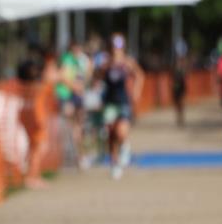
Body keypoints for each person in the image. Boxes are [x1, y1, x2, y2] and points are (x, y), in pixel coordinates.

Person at [93, 33, 143, 180]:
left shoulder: (128, 62)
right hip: (109, 102)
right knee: (110, 133)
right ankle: (114, 164)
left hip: (123, 101)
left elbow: (140, 75)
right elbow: (96, 77)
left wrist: (136, 91)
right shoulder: (106, 63)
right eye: (114, 46)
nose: (116, 49)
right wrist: (102, 70)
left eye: (119, 46)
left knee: (121, 132)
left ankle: (125, 147)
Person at [18, 52, 57, 188]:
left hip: (28, 117)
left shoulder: (27, 87)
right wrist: (39, 121)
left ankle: (34, 175)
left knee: (34, 147)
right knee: (38, 149)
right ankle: (31, 177)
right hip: (36, 119)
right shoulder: (38, 88)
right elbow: (36, 105)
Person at [57, 41, 93, 169]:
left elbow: (86, 76)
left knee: (77, 126)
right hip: (67, 95)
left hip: (76, 96)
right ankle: (73, 156)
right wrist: (75, 87)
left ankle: (79, 156)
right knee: (70, 126)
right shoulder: (67, 59)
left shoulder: (81, 61)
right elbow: (63, 77)